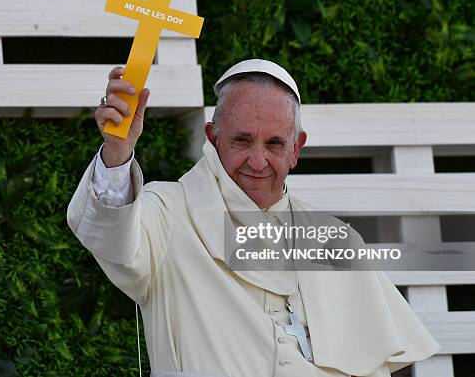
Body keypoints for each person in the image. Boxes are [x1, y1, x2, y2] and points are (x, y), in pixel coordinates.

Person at [67, 59, 439, 377]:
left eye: (275, 143)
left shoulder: (335, 240)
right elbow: (112, 237)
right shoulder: (167, 211)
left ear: (296, 149)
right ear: (213, 138)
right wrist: (118, 153)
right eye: (242, 141)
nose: (257, 162)